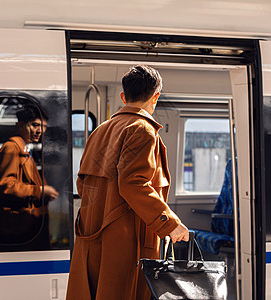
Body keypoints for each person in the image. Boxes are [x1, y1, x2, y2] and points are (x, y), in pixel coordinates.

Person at [66, 65, 189, 300]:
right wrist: (170, 224)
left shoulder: (99, 131)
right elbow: (134, 183)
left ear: (123, 97)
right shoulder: (142, 129)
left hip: (94, 235)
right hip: (126, 242)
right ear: (156, 97)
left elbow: (83, 185)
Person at [0, 104, 58, 249]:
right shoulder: (12, 148)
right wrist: (41, 191)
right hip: (17, 231)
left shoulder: (23, 149)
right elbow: (6, 186)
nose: (39, 131)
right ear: (20, 125)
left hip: (23, 228)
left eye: (43, 127)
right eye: (35, 125)